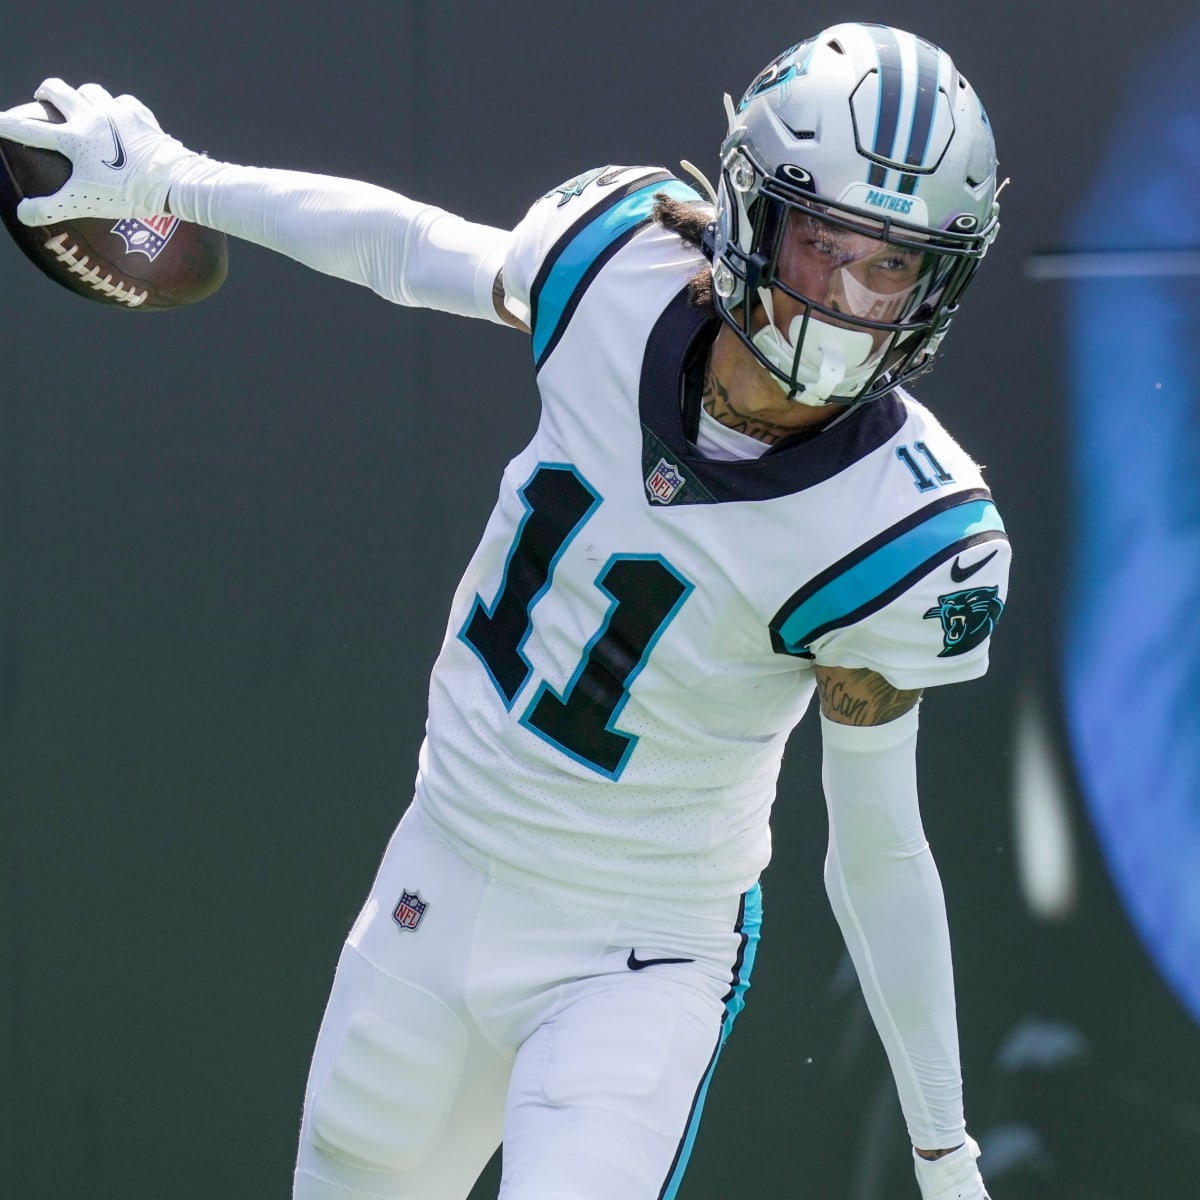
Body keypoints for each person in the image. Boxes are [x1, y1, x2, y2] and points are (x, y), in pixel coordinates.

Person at [0, 21, 1008, 1200]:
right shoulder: (614, 266)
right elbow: (405, 246)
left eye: (891, 266)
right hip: (438, 872)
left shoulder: (908, 530)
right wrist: (176, 180)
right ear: (748, 211)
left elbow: (880, 849)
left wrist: (944, 1150)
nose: (843, 295)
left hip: (639, 954)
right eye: (822, 239)